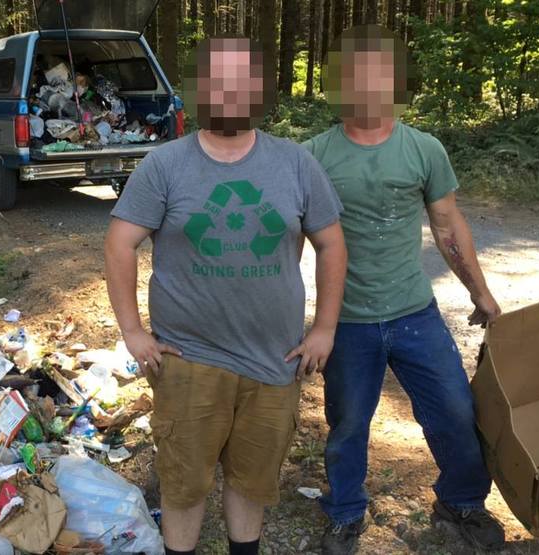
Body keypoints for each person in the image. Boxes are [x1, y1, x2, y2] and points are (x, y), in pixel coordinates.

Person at [104, 36, 348, 555]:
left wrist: (325, 327)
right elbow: (120, 243)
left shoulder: (296, 164)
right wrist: (132, 331)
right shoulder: (165, 165)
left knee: (251, 480)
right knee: (184, 485)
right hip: (189, 361)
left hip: (274, 360)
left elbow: (331, 244)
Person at [301, 24, 506, 554]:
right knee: (347, 424)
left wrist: (480, 293)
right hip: (346, 319)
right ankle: (345, 510)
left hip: (415, 313)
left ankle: (461, 502)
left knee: (456, 412)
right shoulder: (313, 155)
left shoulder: (423, 149)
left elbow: (448, 225)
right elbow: (290, 240)